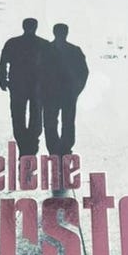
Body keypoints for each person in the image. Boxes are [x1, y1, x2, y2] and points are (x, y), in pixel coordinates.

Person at [0, 18, 49, 157]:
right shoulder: (43, 44)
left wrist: (2, 79)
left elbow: (3, 63)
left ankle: (24, 142)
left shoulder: (12, 43)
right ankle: (31, 142)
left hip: (18, 84)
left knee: (18, 114)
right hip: (36, 84)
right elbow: (51, 67)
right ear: (36, 27)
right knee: (35, 113)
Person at [42, 23, 89, 157]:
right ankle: (65, 147)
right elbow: (83, 72)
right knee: (68, 121)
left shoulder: (46, 50)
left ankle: (54, 148)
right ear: (66, 33)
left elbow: (39, 71)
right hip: (68, 93)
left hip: (51, 93)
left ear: (54, 32)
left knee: (50, 122)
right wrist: (77, 89)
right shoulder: (75, 50)